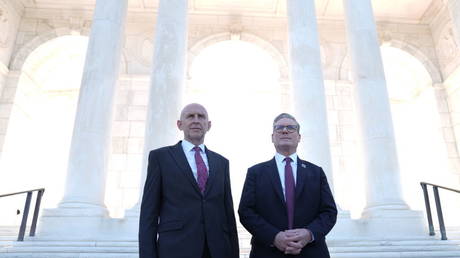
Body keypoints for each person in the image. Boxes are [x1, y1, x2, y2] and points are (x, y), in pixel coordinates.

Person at [139, 103, 239, 258]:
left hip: (217, 250)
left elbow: (228, 215)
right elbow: (149, 214)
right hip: (175, 248)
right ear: (180, 124)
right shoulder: (160, 158)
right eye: (190, 116)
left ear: (208, 125)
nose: (196, 120)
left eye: (201, 117)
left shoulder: (222, 163)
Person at [238, 113, 337, 258]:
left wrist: (308, 234)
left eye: (291, 128)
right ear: (272, 137)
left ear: (299, 137)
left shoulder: (316, 172)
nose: (285, 130)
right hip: (267, 252)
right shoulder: (255, 173)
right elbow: (246, 211)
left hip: (311, 252)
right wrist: (274, 237)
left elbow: (329, 212)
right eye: (279, 128)